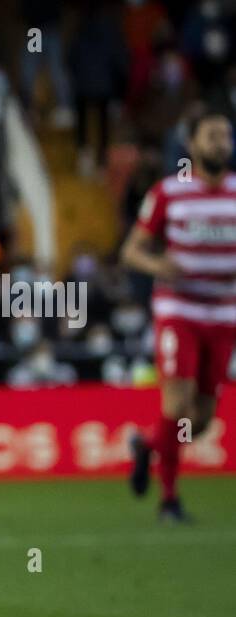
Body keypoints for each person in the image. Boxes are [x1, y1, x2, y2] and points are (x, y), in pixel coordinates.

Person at [120, 109, 236, 521]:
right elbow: (131, 251)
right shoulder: (170, 192)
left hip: (224, 312)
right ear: (192, 145)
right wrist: (160, 267)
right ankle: (169, 499)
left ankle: (147, 447)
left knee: (200, 421)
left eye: (226, 135)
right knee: (177, 403)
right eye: (212, 136)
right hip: (179, 308)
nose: (221, 143)